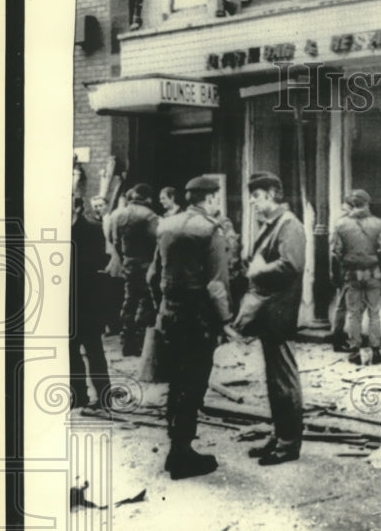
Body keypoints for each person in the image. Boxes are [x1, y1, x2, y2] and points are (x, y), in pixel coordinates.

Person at [147, 176, 232, 480]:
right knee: (194, 384)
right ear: (209, 199)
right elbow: (216, 284)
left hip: (169, 314)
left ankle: (175, 449)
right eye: (216, 199)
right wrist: (225, 321)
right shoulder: (210, 230)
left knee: (176, 382)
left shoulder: (166, 225)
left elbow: (152, 275)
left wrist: (164, 303)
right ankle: (182, 455)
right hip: (198, 319)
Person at [235, 172, 306, 466]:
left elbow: (292, 265)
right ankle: (280, 437)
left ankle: (288, 445)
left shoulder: (290, 225)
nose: (252, 201)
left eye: (256, 196)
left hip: (279, 313)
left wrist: (257, 270)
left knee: (284, 382)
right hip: (270, 314)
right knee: (276, 382)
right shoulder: (275, 225)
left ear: (273, 194)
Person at [330, 189, 381, 366]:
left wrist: (338, 274)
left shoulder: (340, 225)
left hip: (351, 274)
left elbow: (335, 254)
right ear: (367, 203)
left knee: (354, 314)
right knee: (374, 313)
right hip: (374, 273)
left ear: (352, 204)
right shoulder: (378, 223)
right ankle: (376, 352)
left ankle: (355, 352)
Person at [69, 197, 113, 411]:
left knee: (94, 350)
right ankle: (78, 396)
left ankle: (104, 398)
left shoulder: (93, 230)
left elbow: (98, 265)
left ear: (77, 207)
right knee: (70, 350)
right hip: (66, 301)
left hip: (88, 300)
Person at [110, 183, 159, 356]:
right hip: (146, 263)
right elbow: (158, 241)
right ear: (148, 198)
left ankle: (126, 342)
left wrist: (124, 258)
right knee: (147, 302)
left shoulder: (118, 215)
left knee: (129, 301)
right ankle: (141, 342)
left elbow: (114, 241)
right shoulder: (149, 216)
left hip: (128, 262)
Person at [327, 196, 354, 351]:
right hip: (347, 272)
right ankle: (344, 340)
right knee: (347, 307)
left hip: (345, 271)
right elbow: (335, 253)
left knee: (343, 307)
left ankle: (339, 339)